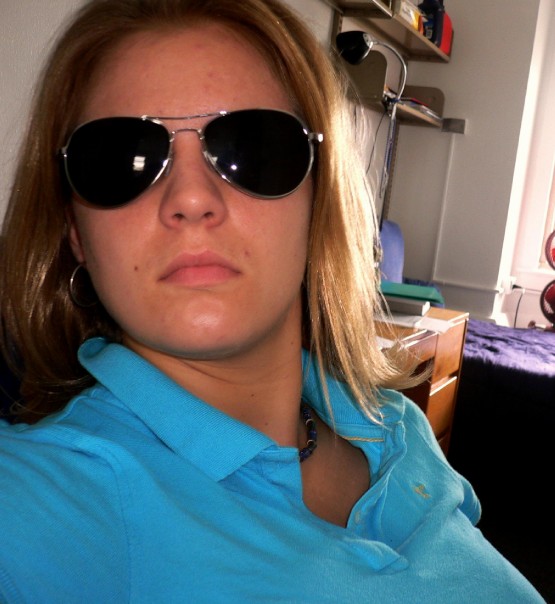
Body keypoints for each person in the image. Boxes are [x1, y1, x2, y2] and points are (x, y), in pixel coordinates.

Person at [0, 0, 544, 601]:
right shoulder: (45, 505)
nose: (191, 200)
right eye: (122, 158)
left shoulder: (394, 425)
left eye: (253, 147)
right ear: (75, 233)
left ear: (319, 201)